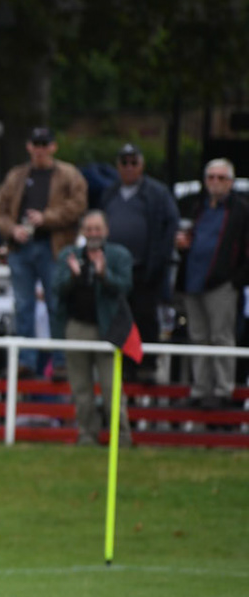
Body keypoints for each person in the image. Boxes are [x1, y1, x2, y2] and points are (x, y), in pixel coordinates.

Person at [0, 126, 87, 375]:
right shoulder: (17, 175)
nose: (40, 149)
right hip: (21, 248)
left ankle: (60, 361)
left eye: (45, 144)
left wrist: (46, 218)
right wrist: (12, 230)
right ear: (29, 146)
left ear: (53, 147)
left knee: (56, 303)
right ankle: (26, 361)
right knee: (23, 306)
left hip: (53, 247)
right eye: (36, 144)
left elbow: (79, 205)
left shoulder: (68, 174)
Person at [50, 209, 134, 446]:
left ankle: (123, 436)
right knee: (81, 388)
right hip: (77, 327)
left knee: (111, 387)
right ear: (82, 232)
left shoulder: (118, 255)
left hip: (108, 329)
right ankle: (87, 434)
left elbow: (125, 287)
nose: (93, 233)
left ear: (106, 230)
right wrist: (74, 276)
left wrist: (104, 274)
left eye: (97, 228)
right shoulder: (70, 254)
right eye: (88, 229)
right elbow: (57, 289)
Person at [175, 159, 249, 413]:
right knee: (198, 337)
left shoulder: (241, 210)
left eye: (221, 178)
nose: (215, 183)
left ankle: (223, 389)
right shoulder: (197, 207)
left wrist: (236, 280)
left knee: (221, 337)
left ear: (230, 181)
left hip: (222, 284)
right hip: (194, 281)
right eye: (211, 178)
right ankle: (200, 388)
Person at [98, 144, 177, 350]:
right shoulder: (110, 192)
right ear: (118, 166)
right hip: (115, 270)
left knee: (145, 317)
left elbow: (170, 226)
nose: (129, 167)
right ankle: (122, 367)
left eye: (134, 162)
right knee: (117, 317)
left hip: (145, 269)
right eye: (124, 162)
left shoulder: (157, 193)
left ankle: (147, 366)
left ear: (142, 165)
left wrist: (159, 260)